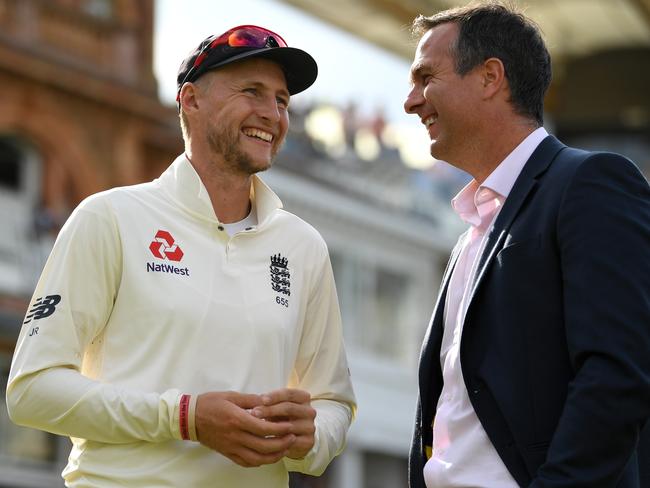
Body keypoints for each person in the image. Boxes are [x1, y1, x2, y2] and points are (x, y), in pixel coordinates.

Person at [6, 25, 356, 487]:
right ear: (191, 100)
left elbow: (333, 403)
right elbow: (32, 391)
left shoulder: (303, 246)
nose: (272, 113)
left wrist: (308, 437)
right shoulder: (110, 216)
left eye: (282, 100)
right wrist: (185, 417)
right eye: (252, 91)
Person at [403, 3, 650, 488]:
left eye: (426, 77)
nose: (411, 101)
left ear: (490, 77)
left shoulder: (590, 183)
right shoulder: (469, 232)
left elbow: (619, 373)